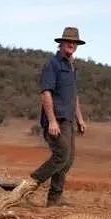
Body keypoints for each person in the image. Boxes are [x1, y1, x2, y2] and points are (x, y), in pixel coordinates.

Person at [30, 27, 87, 207]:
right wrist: (52, 120)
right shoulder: (52, 65)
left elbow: (74, 96)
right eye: (68, 41)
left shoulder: (72, 67)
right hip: (56, 120)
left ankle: (54, 198)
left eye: (74, 42)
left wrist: (80, 118)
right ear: (61, 43)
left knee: (67, 160)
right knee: (61, 155)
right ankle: (27, 187)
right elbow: (46, 93)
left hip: (69, 120)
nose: (71, 44)